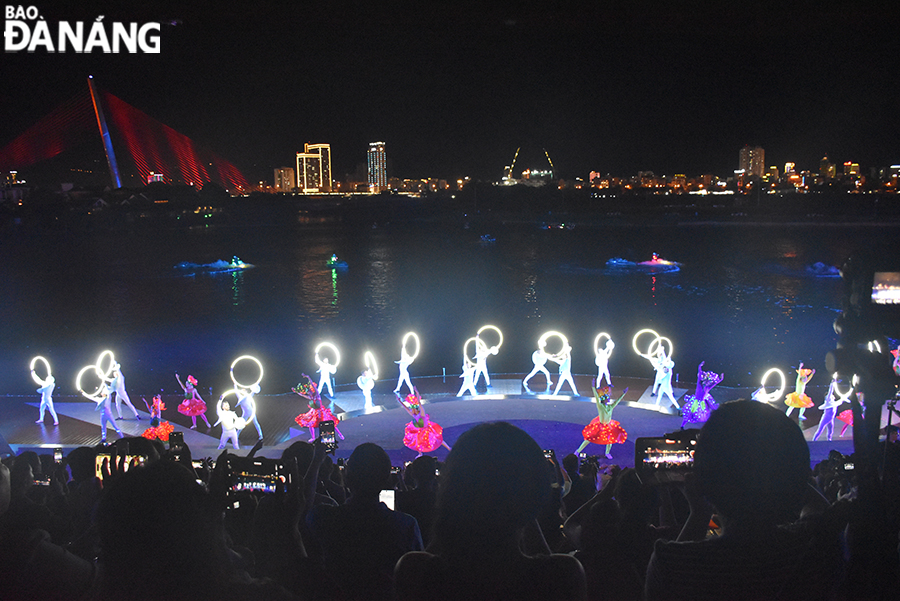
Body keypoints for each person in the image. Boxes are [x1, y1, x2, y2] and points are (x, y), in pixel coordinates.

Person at [645, 400, 844, 601]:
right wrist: (785, 470)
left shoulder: (671, 564)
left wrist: (699, 512)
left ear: (702, 480)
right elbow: (818, 510)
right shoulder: (815, 546)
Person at [394, 422, 586, 601]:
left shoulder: (414, 571)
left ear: (448, 491)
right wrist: (526, 507)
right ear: (536, 495)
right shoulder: (563, 575)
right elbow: (547, 562)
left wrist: (450, 508)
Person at [307, 442, 424, 601]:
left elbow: (300, 508)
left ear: (347, 477)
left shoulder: (324, 517)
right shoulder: (406, 525)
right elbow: (416, 579)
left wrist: (316, 462)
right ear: (386, 480)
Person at [576, 384, 629, 459]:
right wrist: (593, 387)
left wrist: (623, 394)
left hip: (608, 425)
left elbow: (617, 401)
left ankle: (607, 453)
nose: (609, 399)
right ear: (604, 399)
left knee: (610, 440)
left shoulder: (610, 407)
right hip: (600, 426)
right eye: (607, 398)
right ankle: (577, 451)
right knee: (589, 438)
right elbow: (597, 398)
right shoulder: (600, 406)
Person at [397, 389, 452, 457]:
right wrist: (400, 401)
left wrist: (417, 393)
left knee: (437, 439)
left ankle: (449, 448)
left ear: (415, 409)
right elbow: (406, 408)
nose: (411, 410)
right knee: (416, 442)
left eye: (412, 409)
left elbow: (419, 403)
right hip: (420, 430)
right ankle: (420, 453)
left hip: (427, 430)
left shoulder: (422, 414)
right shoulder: (413, 414)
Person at [294, 374, 344, 442]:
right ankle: (313, 437)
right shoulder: (311, 397)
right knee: (310, 424)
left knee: (330, 423)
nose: (309, 393)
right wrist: (296, 391)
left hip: (321, 412)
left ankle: (340, 434)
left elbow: (312, 384)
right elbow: (302, 395)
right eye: (308, 392)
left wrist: (308, 377)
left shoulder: (317, 394)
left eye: (310, 391)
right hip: (314, 412)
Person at [680, 361, 722, 428]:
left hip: (702, 402)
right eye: (706, 381)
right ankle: (682, 425)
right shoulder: (699, 385)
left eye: (708, 382)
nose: (707, 382)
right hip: (696, 401)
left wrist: (721, 379)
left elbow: (715, 384)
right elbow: (699, 375)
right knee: (690, 413)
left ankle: (705, 427)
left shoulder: (707, 388)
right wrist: (699, 366)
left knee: (704, 414)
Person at [813, 375, 851, 442]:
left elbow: (844, 398)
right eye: (830, 396)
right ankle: (814, 440)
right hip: (825, 418)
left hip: (831, 419)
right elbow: (830, 391)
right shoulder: (828, 402)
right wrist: (832, 383)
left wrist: (851, 388)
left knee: (830, 431)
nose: (832, 396)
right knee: (820, 430)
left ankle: (829, 441)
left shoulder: (835, 403)